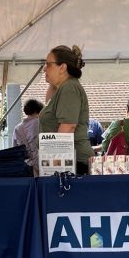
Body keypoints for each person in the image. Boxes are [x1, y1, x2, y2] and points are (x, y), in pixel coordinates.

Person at [39, 45, 91, 174]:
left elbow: (67, 127)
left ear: (62, 67)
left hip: (72, 163)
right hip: (68, 161)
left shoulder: (69, 88)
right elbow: (49, 105)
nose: (44, 68)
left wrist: (55, 166)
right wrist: (53, 81)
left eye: (48, 64)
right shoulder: (63, 87)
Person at [13, 98, 43, 176]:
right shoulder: (42, 124)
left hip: (26, 166)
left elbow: (15, 150)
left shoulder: (18, 128)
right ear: (38, 110)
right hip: (43, 164)